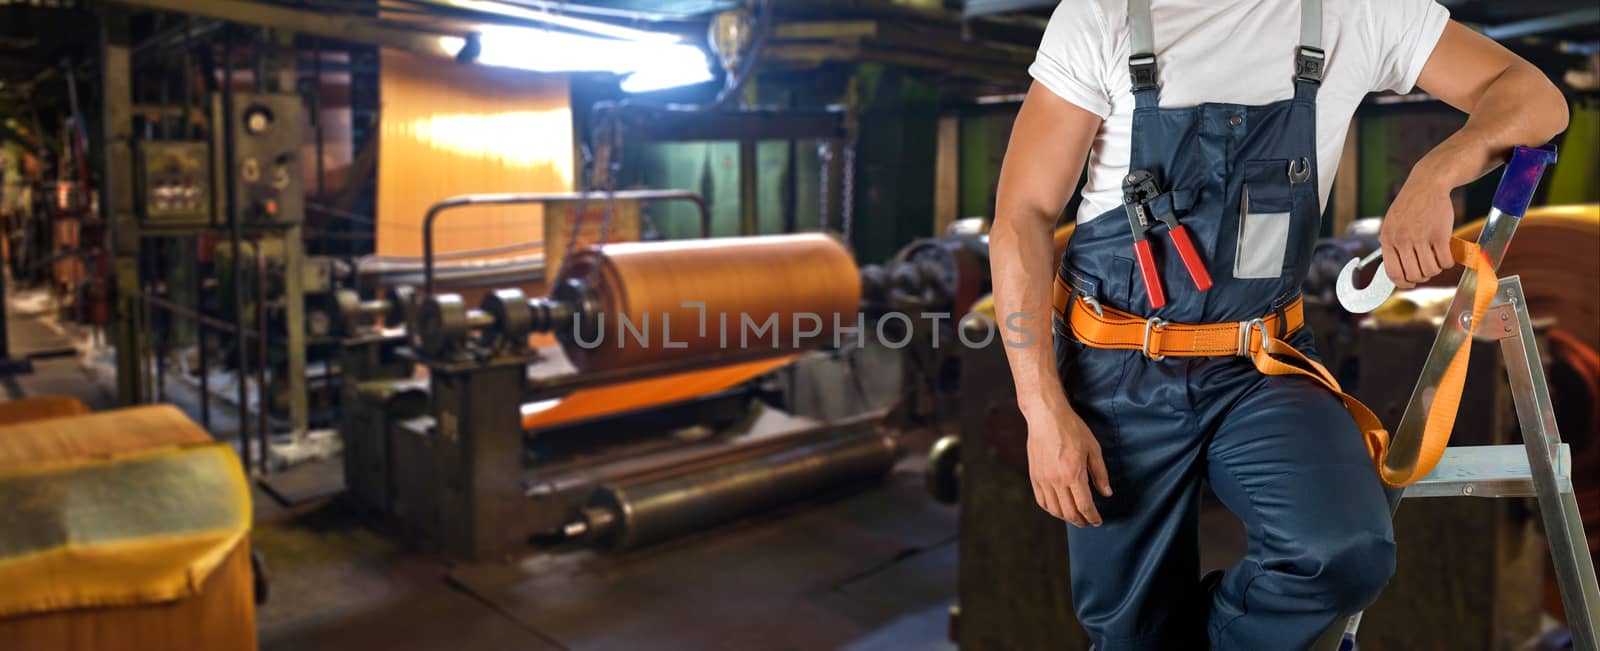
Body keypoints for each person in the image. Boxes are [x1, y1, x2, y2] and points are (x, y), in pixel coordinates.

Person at [988, 0, 1569, 648]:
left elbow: (1535, 97)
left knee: (1342, 551)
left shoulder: (1354, 12)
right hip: (1118, 370)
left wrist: (1436, 173)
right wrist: (1042, 409)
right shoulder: (1105, 15)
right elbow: (1022, 217)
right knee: (1133, 632)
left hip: (1262, 362)